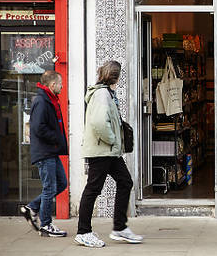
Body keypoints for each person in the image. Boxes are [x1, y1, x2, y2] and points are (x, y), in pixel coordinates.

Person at [74, 61, 143, 248]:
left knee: (125, 181)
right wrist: (112, 139)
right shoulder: (102, 94)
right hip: (101, 150)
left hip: (109, 151)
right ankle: (83, 232)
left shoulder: (107, 94)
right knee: (93, 189)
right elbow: (98, 122)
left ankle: (119, 228)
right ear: (115, 76)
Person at [19, 70, 68, 237]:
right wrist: (56, 138)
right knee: (49, 188)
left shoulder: (49, 99)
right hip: (45, 152)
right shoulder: (42, 101)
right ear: (52, 85)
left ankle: (32, 207)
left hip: (51, 151)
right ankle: (46, 225)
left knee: (61, 183)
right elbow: (38, 127)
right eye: (60, 84)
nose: (62, 86)